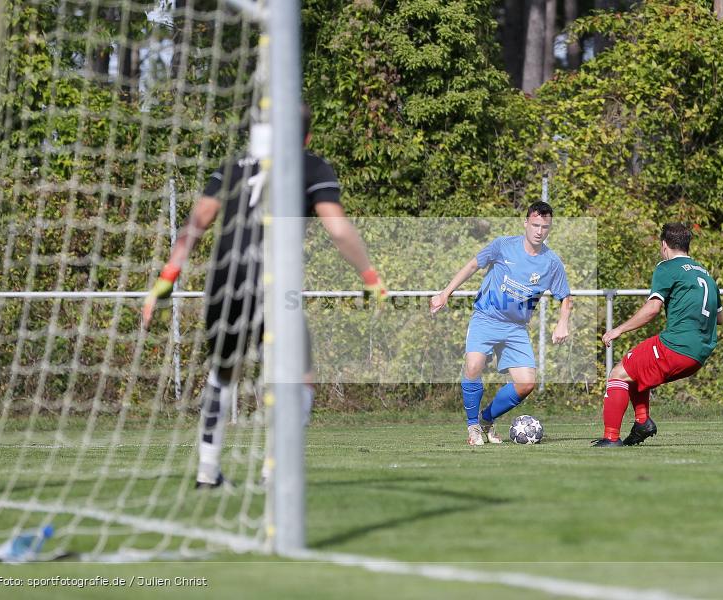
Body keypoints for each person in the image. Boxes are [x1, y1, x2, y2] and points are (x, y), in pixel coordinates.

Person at [143, 105, 386, 487]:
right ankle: (275, 471)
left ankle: (207, 471)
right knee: (299, 379)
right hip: (275, 281)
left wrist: (167, 275)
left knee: (223, 374)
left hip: (225, 279)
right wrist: (370, 276)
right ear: (306, 137)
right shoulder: (310, 166)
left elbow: (199, 220)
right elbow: (338, 230)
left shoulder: (234, 165)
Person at [430, 202, 572, 446]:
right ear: (525, 223)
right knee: (473, 366)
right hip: (486, 318)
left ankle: (486, 419)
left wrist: (562, 323)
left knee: (526, 383)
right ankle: (473, 427)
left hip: (516, 328)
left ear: (550, 228)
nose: (539, 231)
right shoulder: (503, 246)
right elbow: (473, 265)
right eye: (535, 225)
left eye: (545, 227)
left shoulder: (551, 263)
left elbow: (565, 297)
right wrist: (445, 293)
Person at [595, 222, 723, 447]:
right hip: (699, 354)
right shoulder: (705, 274)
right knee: (634, 370)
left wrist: (618, 329)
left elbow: (652, 309)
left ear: (664, 245)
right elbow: (719, 318)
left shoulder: (667, 267)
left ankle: (611, 438)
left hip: (676, 346)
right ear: (687, 245)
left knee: (618, 373)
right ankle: (642, 422)